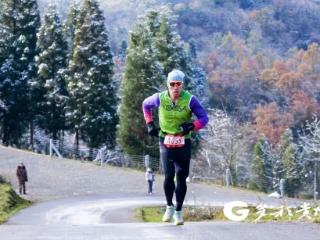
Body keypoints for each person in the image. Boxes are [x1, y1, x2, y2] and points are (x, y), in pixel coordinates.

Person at [142, 69, 208, 225]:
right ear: (168, 85)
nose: (175, 88)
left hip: (183, 141)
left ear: (182, 85)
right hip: (165, 140)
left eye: (178, 84)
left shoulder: (191, 100)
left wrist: (192, 126)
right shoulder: (159, 98)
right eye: (172, 84)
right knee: (168, 175)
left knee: (181, 178)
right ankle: (169, 206)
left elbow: (204, 118)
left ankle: (178, 211)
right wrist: (150, 124)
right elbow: (145, 105)